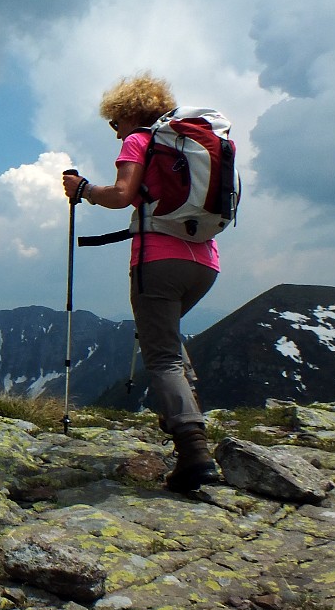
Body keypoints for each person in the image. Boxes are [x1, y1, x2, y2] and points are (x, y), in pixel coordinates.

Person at [62, 73, 223, 493]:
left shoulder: (141, 141)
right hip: (205, 263)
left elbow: (120, 195)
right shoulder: (186, 145)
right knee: (165, 339)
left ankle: (194, 453)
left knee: (162, 356)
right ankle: (187, 415)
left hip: (158, 262)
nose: (115, 133)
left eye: (114, 122)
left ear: (131, 113)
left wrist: (84, 190)